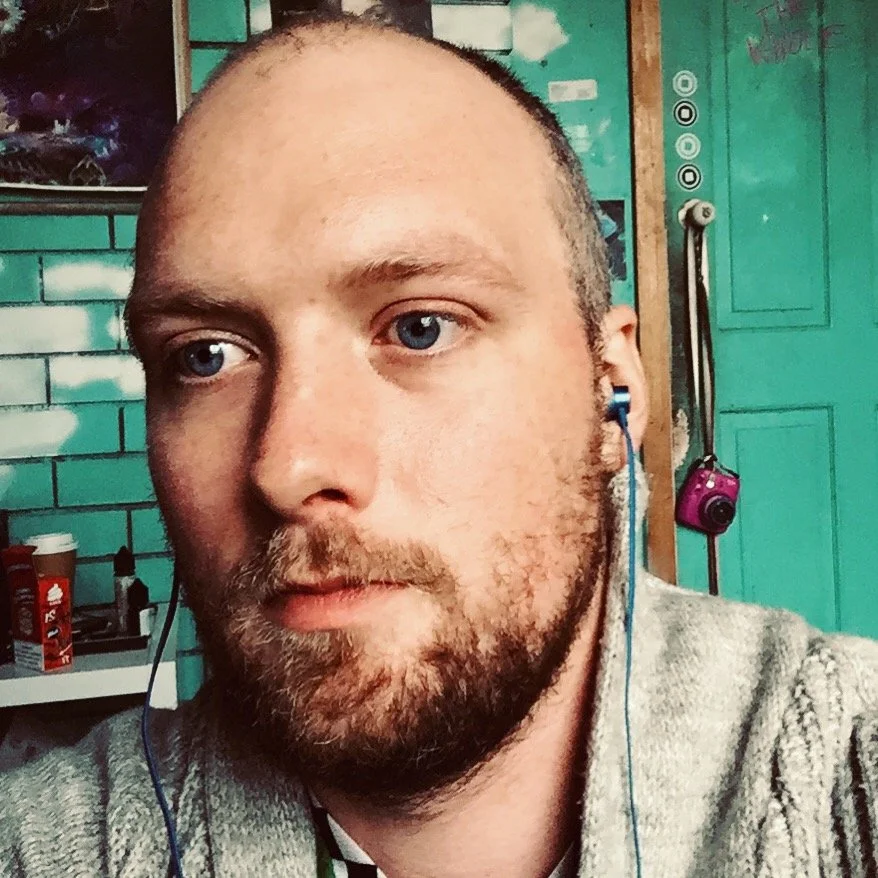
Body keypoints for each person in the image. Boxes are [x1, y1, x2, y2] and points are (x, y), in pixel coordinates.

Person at [2, 13, 878, 878]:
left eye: (420, 327)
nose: (289, 466)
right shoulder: (46, 842)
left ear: (614, 384)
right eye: (205, 356)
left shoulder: (843, 769)